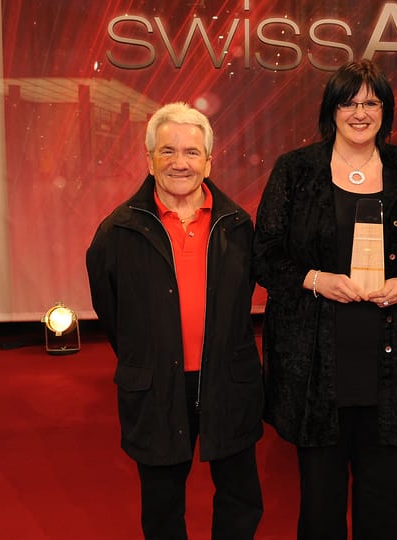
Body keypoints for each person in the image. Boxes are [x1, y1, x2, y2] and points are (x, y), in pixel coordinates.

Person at [253, 60, 397, 539]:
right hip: (317, 365)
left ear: (385, 110)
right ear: (331, 110)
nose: (360, 113)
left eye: (371, 102)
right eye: (349, 102)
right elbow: (265, 255)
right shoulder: (295, 171)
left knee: (388, 505)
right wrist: (316, 278)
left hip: (391, 364)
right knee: (321, 507)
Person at [86, 102, 264, 539]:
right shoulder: (117, 232)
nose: (179, 163)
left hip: (228, 380)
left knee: (241, 500)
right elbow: (112, 315)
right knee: (163, 509)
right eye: (167, 152)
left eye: (191, 152)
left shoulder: (237, 226)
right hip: (158, 387)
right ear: (149, 160)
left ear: (209, 159)